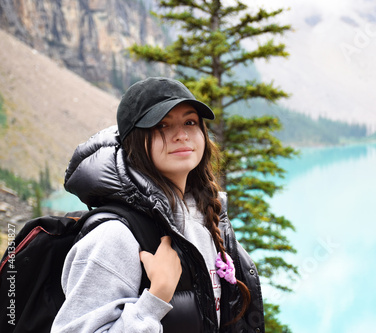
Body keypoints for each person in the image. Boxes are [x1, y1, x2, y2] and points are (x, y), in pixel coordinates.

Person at [51, 77, 265, 332]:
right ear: (134, 142)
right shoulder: (114, 236)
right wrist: (156, 299)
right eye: (161, 125)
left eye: (190, 122)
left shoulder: (206, 218)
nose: (182, 135)